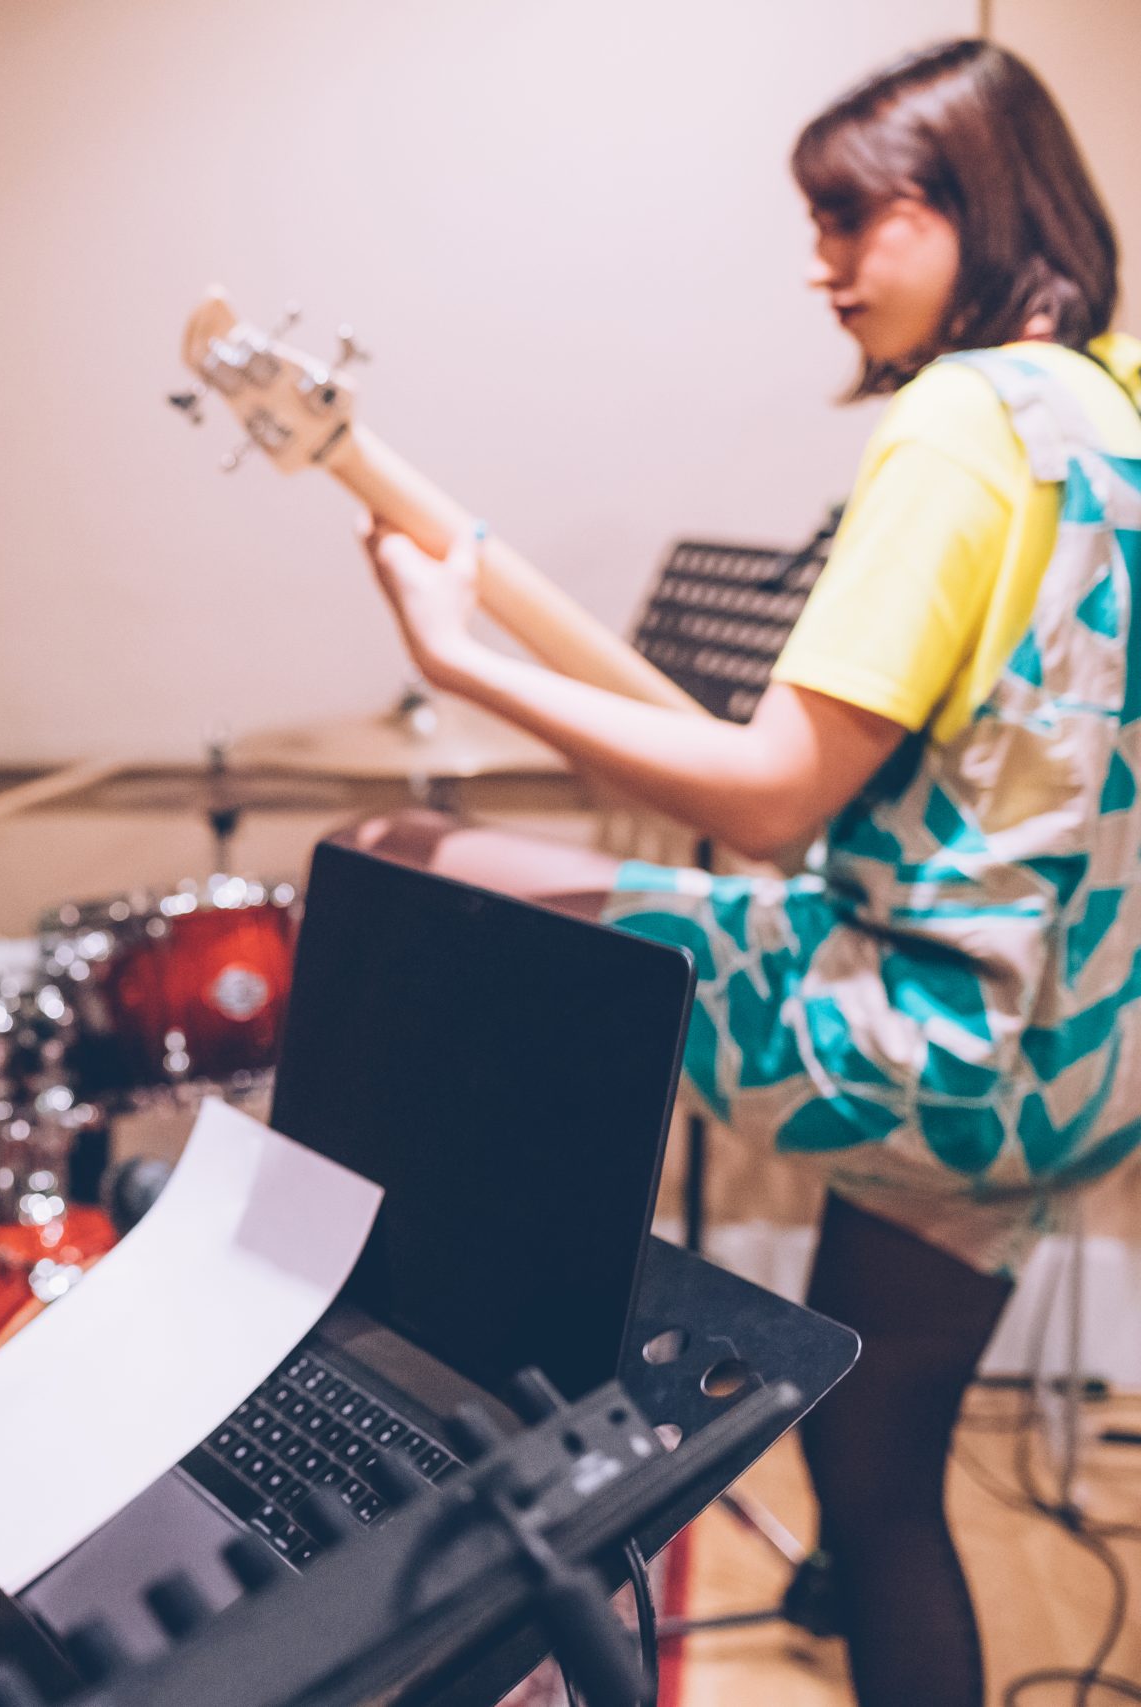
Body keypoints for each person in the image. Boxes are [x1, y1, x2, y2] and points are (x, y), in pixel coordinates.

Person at [345, 41, 1138, 1707]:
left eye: (858, 218)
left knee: (396, 854)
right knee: (878, 1480)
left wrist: (465, 657)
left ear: (974, 207)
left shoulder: (963, 423)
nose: (822, 262)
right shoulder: (1113, 415)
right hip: (1071, 1062)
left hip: (920, 1032)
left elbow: (774, 803)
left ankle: (432, 1393)